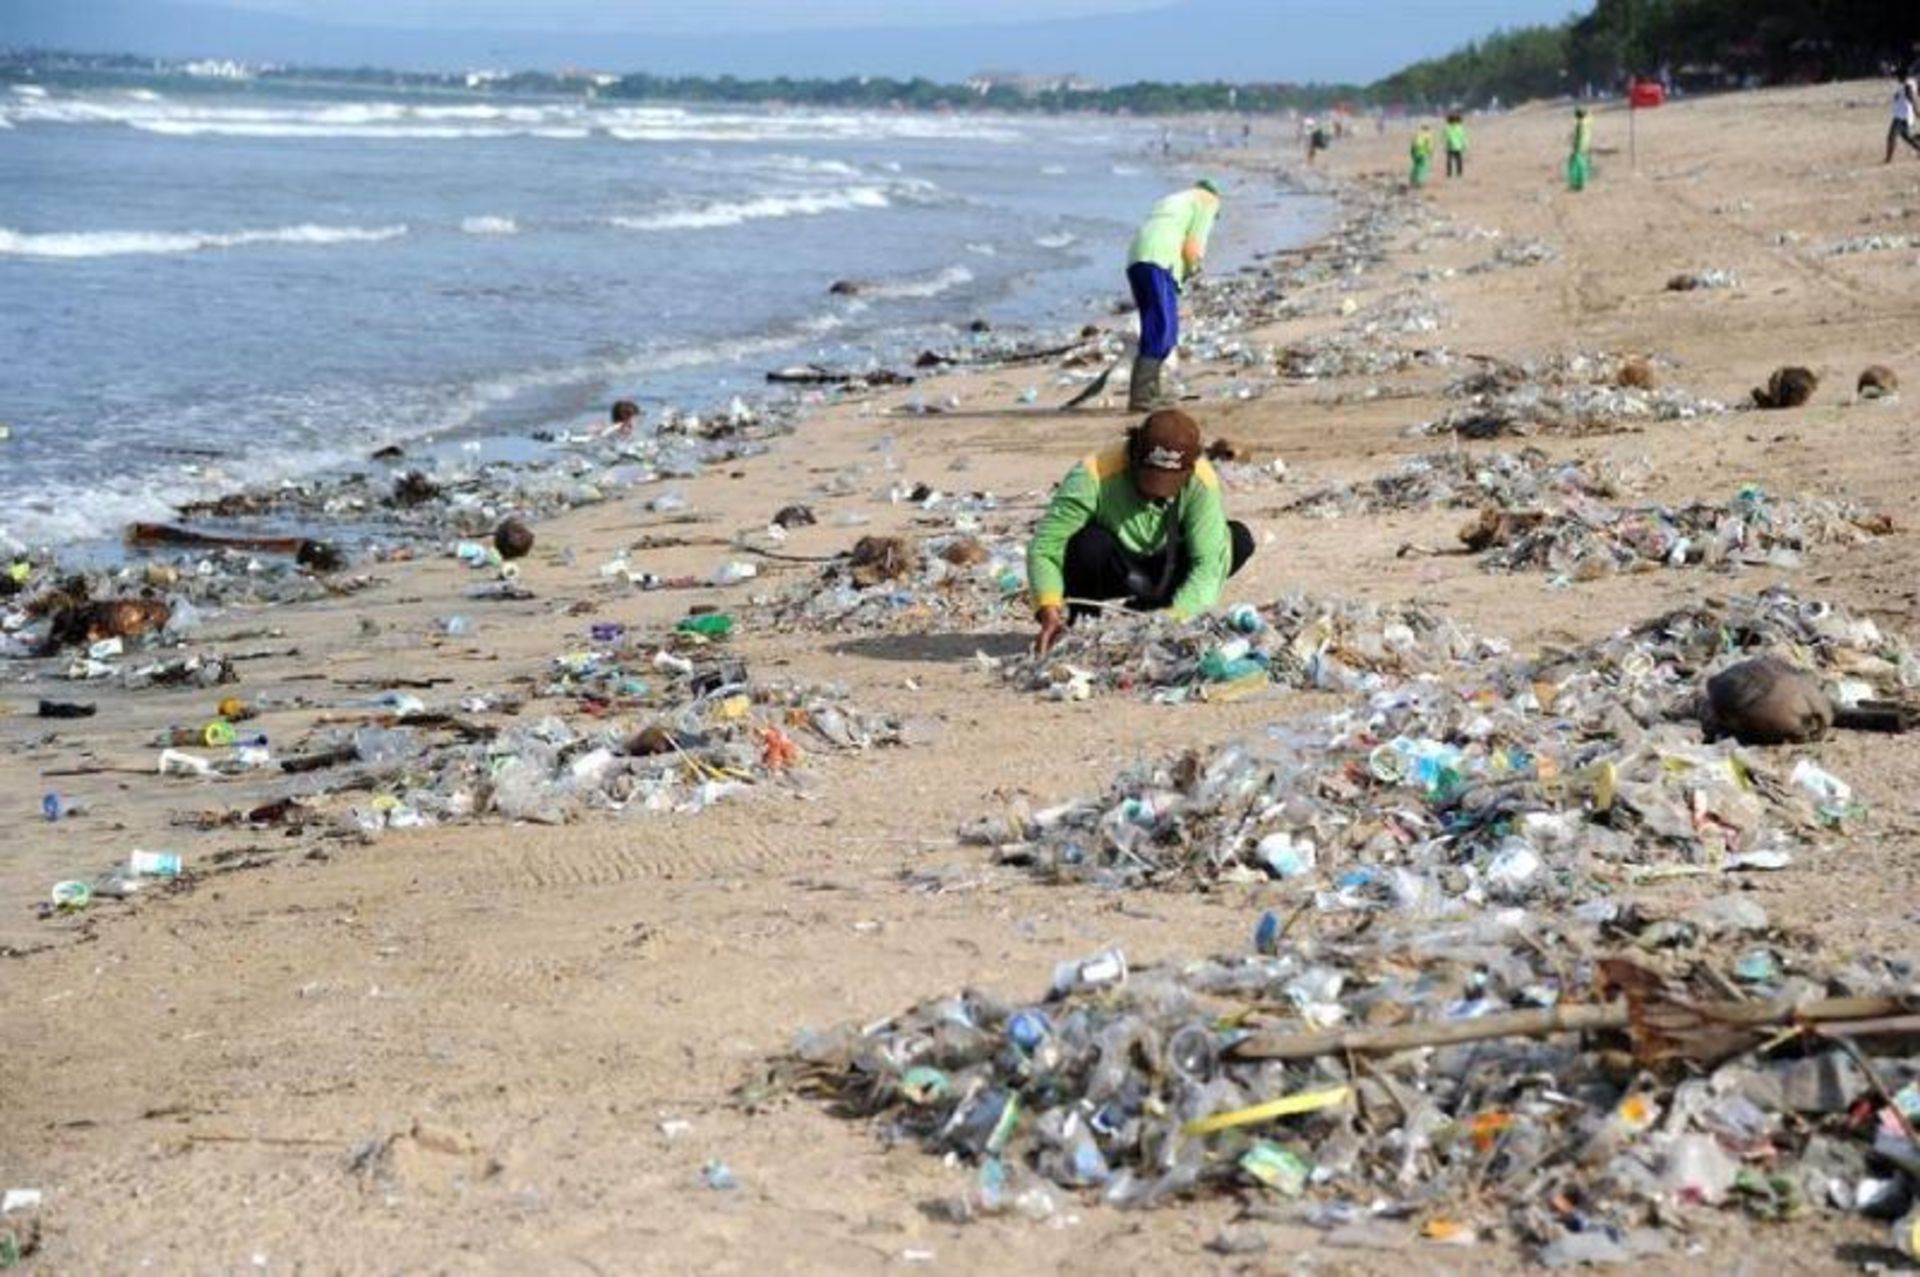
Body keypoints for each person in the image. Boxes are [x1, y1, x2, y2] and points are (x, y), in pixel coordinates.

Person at [1027, 409, 1255, 655]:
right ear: (1134, 454)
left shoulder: (1201, 480)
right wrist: (1048, 606)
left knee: (1236, 540)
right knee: (1089, 543)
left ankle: (1152, 609)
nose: (1156, 493)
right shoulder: (1093, 474)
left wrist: (1176, 620)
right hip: (1111, 568)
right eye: (1150, 479)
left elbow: (1208, 563)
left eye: (1169, 483)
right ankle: (1083, 624)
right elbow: (1046, 546)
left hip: (1165, 568)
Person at [1124, 180, 1222, 412]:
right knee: (1164, 329)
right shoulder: (1207, 201)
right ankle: (1141, 396)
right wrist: (1195, 270)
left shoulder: (1172, 201)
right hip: (1160, 259)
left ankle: (1151, 393)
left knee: (1154, 326)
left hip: (1137, 259)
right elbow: (1193, 247)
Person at [1887, 69, 1920, 163]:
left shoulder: (1907, 85)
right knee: (1906, 136)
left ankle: (1888, 160)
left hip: (1902, 116)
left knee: (1891, 136)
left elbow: (1911, 98)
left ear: (1902, 76)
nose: (1896, 78)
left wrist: (1916, 110)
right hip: (1902, 114)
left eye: (1898, 76)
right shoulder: (1905, 84)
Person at [1568, 106, 1594, 191]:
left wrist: (1575, 147)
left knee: (1576, 166)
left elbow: (1578, 137)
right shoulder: (1588, 121)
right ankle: (1582, 182)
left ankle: (1578, 184)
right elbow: (1590, 116)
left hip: (1579, 147)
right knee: (1583, 164)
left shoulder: (1580, 124)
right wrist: (1587, 112)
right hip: (1586, 146)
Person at [1410, 123, 1435, 188]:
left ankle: (1413, 180)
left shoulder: (1417, 134)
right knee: (1423, 168)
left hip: (1416, 153)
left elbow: (1412, 145)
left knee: (1416, 167)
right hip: (1424, 153)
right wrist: (1431, 153)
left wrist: (1412, 153)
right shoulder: (1428, 135)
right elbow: (1430, 146)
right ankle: (1420, 182)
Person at [1444, 112, 1468, 178]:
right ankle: (1459, 173)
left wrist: (1445, 143)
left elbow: (1445, 137)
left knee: (1449, 161)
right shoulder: (1460, 128)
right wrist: (1465, 145)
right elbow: (1463, 137)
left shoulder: (1447, 128)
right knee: (1459, 161)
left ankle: (1449, 173)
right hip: (1458, 146)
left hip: (1450, 146)